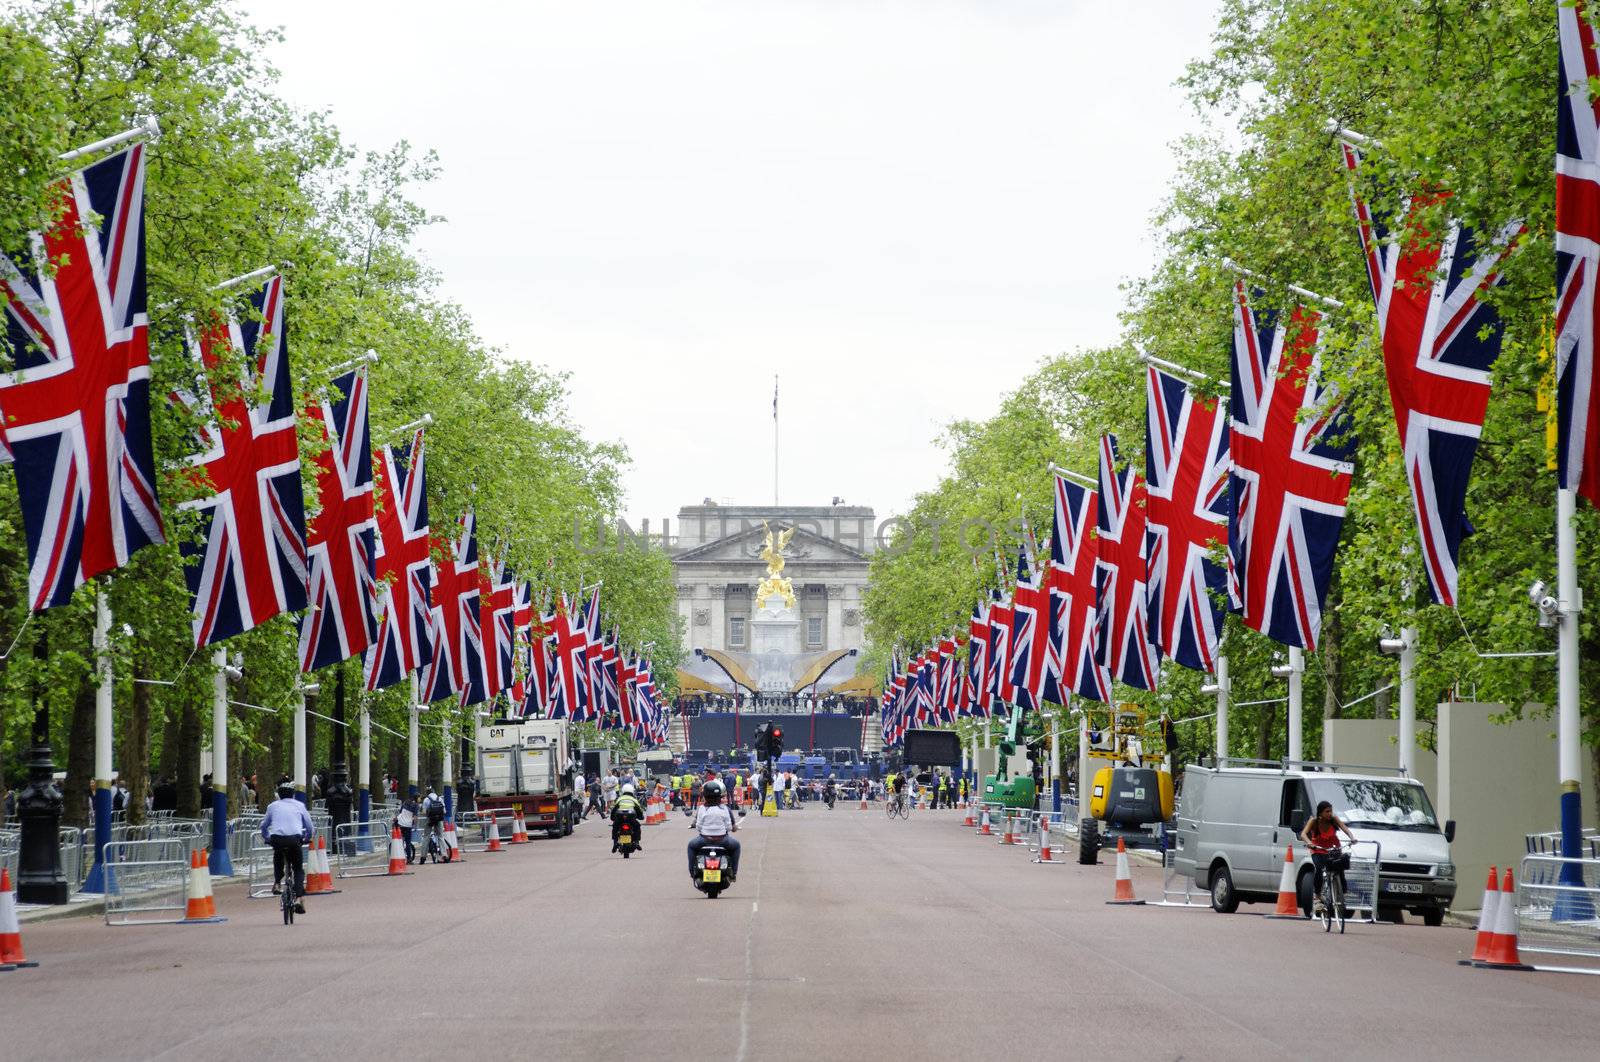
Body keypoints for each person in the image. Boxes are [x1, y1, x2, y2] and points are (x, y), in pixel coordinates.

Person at [261, 780, 312, 912]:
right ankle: (299, 898)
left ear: (279, 794)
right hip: (295, 839)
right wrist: (307, 838)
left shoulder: (272, 806)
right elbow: (309, 826)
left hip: (277, 839)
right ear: (293, 794)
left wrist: (266, 837)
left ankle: (277, 883)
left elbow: (264, 825)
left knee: (278, 856)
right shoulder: (299, 805)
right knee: (298, 868)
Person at [1300, 799, 1358, 913]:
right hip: (1318, 849)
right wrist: (1310, 843)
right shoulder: (1314, 821)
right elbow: (1303, 834)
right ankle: (1318, 895)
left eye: (1331, 811)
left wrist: (1352, 838)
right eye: (1327, 811)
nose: (1330, 813)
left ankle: (1342, 893)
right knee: (1319, 868)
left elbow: (1345, 828)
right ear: (1320, 813)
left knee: (1340, 867)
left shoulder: (1334, 819)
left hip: (1333, 848)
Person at [687, 780, 740, 881]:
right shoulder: (724, 809)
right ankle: (733, 872)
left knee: (691, 846)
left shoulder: (702, 808)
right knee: (736, 846)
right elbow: (729, 827)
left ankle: (692, 872)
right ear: (720, 796)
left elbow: (698, 826)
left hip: (704, 840)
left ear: (705, 796)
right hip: (723, 840)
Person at [610, 782, 645, 853]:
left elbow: (614, 809)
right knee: (637, 826)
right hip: (631, 817)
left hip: (620, 817)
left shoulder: (619, 799)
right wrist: (641, 817)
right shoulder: (634, 800)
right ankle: (636, 842)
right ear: (632, 791)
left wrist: (613, 818)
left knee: (615, 827)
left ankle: (615, 843)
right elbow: (639, 810)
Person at [420, 786, 446, 862]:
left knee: (426, 837)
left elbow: (424, 812)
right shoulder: (440, 799)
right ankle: (444, 854)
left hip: (430, 820)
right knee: (441, 836)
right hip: (439, 820)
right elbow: (444, 811)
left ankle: (423, 857)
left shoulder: (426, 800)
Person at [397, 794, 418, 863]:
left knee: (400, 841)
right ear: (416, 798)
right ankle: (408, 859)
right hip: (408, 825)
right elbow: (415, 817)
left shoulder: (405, 802)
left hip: (400, 823)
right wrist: (415, 825)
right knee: (408, 842)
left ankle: (398, 856)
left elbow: (400, 812)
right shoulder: (415, 805)